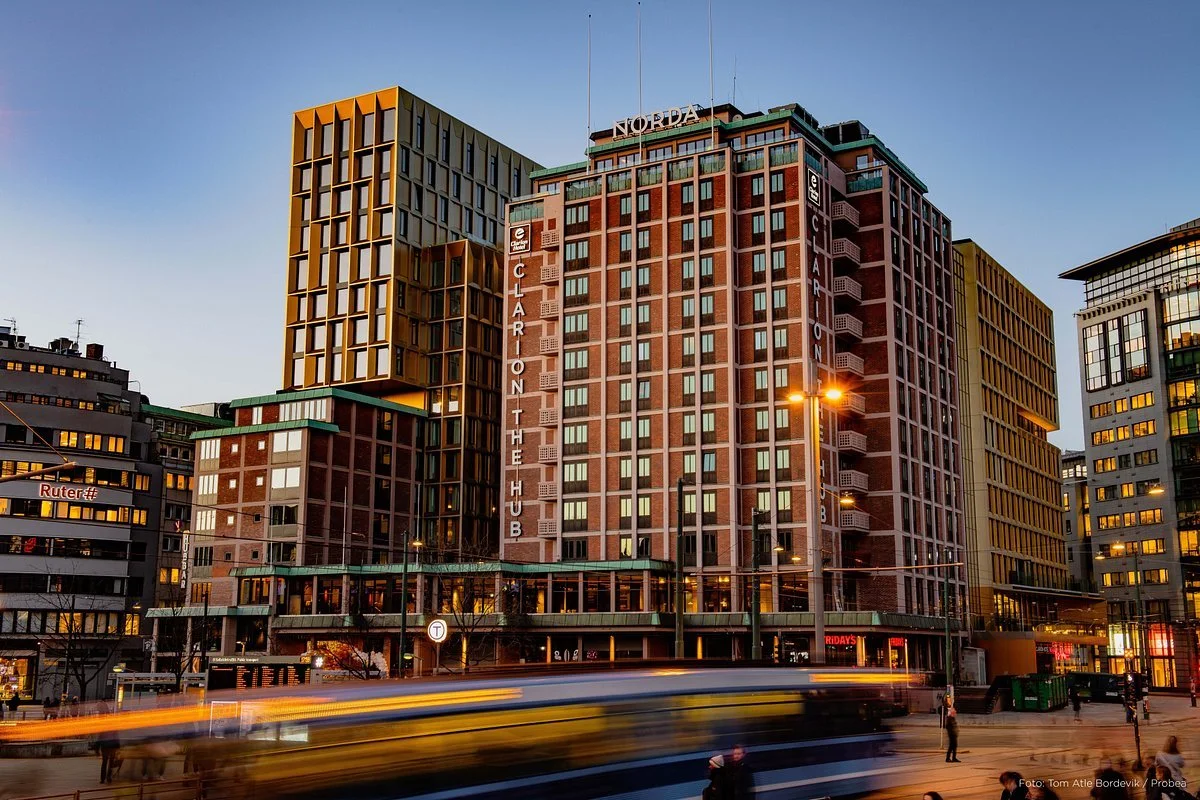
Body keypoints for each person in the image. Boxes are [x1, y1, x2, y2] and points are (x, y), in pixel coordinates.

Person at [944, 697, 960, 763]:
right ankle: (947, 758)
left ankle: (954, 758)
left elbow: (954, 726)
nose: (955, 712)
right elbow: (948, 727)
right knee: (951, 747)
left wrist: (956, 732)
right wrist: (952, 733)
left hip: (954, 735)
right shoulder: (949, 719)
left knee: (954, 746)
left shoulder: (953, 718)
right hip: (951, 735)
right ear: (952, 713)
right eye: (954, 712)